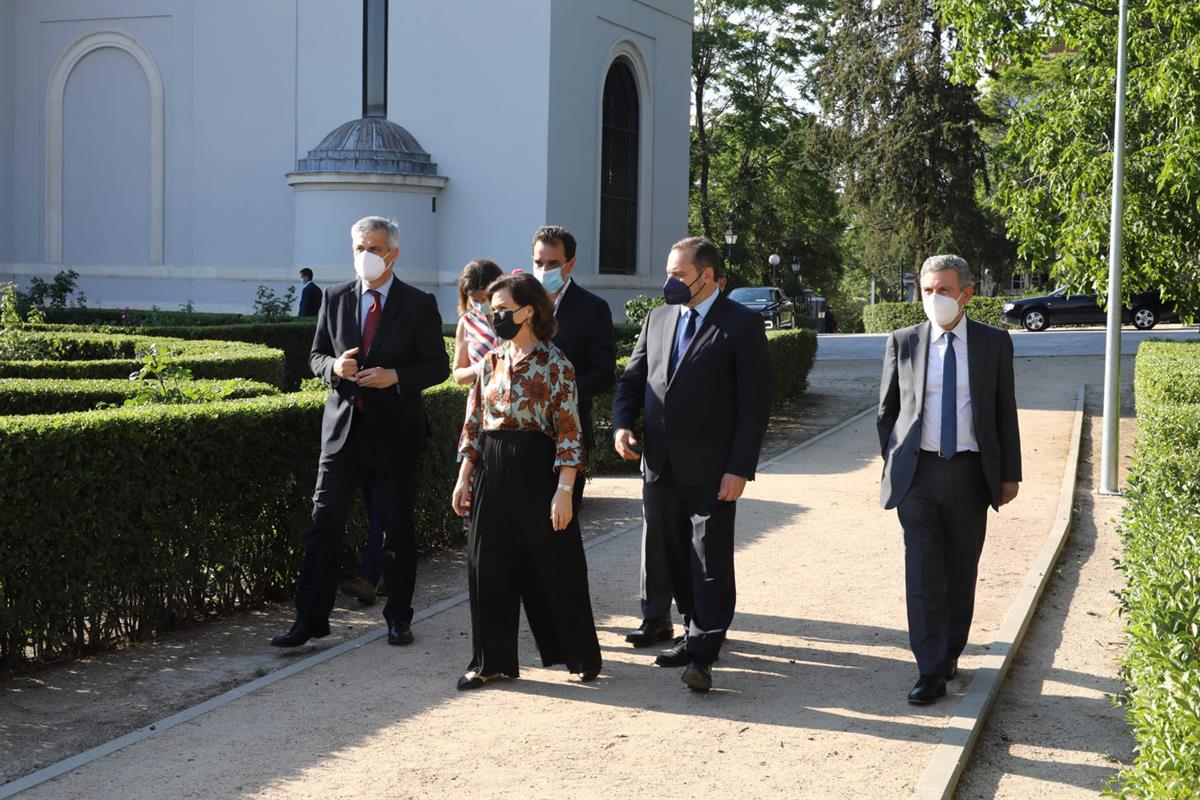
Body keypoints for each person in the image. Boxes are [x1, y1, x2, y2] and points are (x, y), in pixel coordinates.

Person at [271, 216, 449, 649]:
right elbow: (315, 355)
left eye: (374, 248)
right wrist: (333, 367)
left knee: (394, 528)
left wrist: (396, 377)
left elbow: (438, 367)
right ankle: (310, 620)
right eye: (358, 249)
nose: (365, 256)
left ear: (393, 253)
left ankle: (398, 618)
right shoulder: (333, 297)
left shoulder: (418, 303)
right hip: (342, 433)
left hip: (394, 435)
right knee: (323, 525)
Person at [612, 236, 772, 692]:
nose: (670, 282)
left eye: (678, 275)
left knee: (710, 561)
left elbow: (753, 405)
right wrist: (623, 425)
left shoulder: (741, 325)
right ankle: (690, 629)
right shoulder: (657, 319)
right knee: (675, 556)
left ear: (707, 276)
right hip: (659, 467)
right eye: (668, 273)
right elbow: (631, 381)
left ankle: (703, 652)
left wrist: (739, 468)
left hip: (713, 470)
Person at [877, 254, 1022, 705]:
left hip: (969, 474)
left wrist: (1009, 474)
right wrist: (897, 464)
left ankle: (950, 651)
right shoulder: (902, 342)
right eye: (927, 290)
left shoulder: (993, 343)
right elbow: (887, 414)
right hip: (918, 475)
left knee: (960, 572)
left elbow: (1004, 411)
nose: (934, 298)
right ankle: (929, 669)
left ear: (966, 294)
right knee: (921, 573)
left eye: (943, 289)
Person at [451, 272, 602, 690]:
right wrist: (464, 477)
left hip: (539, 469)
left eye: (502, 310)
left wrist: (565, 490)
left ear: (529, 310)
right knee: (487, 565)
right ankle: (490, 661)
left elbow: (571, 432)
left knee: (556, 563)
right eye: (491, 309)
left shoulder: (557, 365)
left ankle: (580, 655)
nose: (494, 316)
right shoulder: (491, 361)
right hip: (491, 469)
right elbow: (473, 423)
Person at [530, 225, 616, 512]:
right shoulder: (517, 304)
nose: (544, 269)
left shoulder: (593, 309)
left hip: (568, 435)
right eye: (538, 262)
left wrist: (559, 391)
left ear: (570, 264)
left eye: (552, 264)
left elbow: (603, 373)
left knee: (560, 533)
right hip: (520, 438)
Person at [452, 259, 504, 385]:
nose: (481, 304)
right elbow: (458, 375)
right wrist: (481, 367)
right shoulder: (466, 323)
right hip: (482, 399)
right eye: (476, 300)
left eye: (486, 298)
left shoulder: (515, 315)